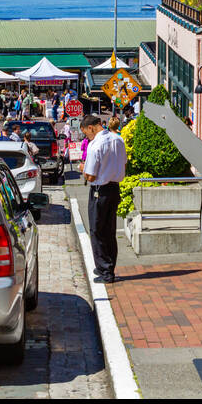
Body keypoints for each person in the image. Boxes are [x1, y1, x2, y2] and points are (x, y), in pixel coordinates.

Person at [81, 114, 126, 284]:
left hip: (99, 190)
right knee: (109, 230)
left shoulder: (95, 145)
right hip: (114, 188)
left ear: (91, 128)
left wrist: (82, 168)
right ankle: (108, 265)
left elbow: (90, 176)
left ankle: (105, 270)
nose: (87, 136)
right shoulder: (118, 139)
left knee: (97, 230)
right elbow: (124, 163)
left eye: (86, 133)